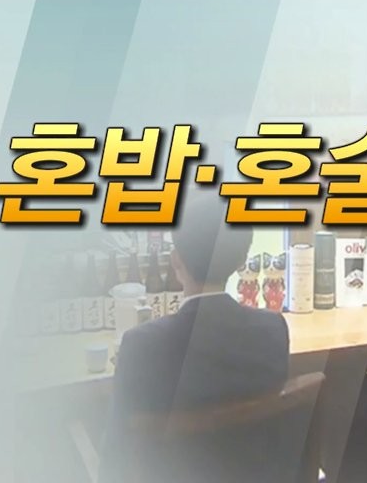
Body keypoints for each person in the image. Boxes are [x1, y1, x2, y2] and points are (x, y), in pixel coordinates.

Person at [99, 194, 290, 483]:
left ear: (176, 261)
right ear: (242, 260)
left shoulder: (141, 345)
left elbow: (114, 459)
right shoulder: (272, 330)